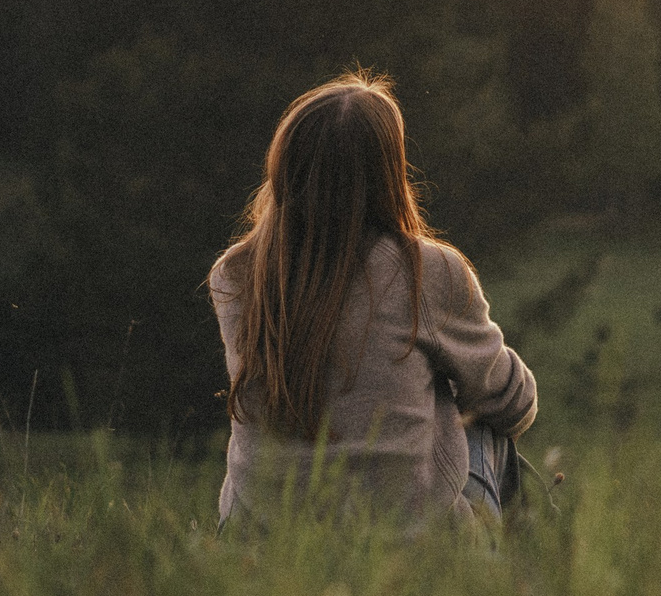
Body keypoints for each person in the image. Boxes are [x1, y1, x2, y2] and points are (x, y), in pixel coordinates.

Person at [208, 72, 536, 529]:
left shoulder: (237, 274)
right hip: (406, 547)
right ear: (388, 172)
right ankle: (522, 579)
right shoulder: (428, 271)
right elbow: (510, 404)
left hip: (266, 540)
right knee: (480, 423)